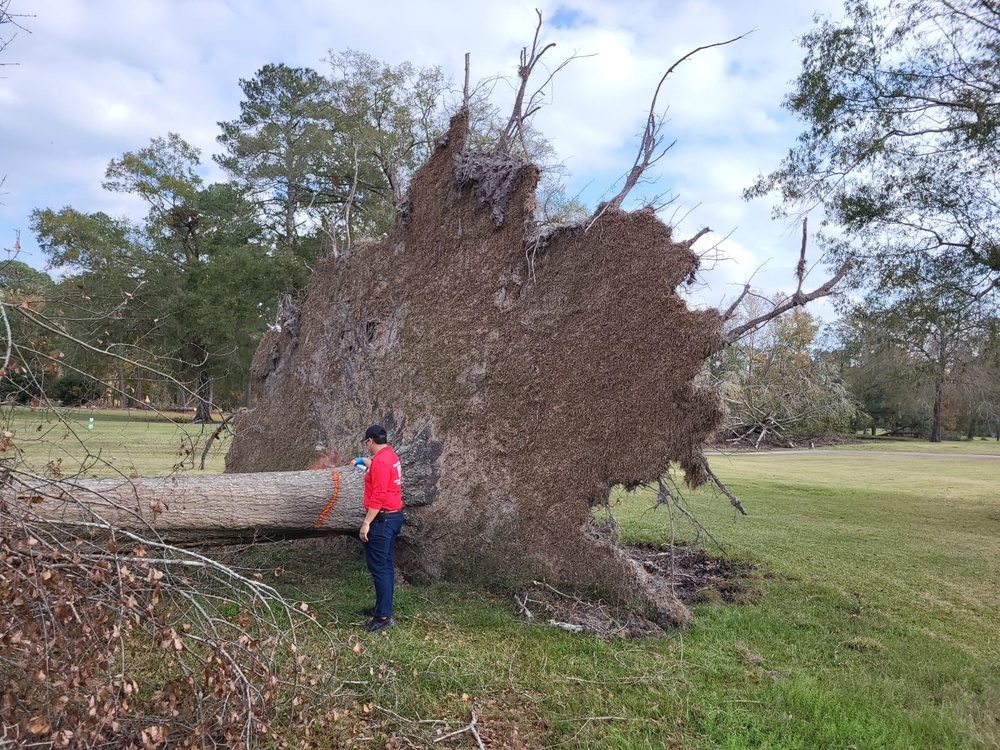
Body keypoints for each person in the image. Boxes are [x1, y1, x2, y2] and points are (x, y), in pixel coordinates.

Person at [355, 424, 403, 632]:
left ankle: (383, 616)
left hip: (382, 520)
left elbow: (379, 495)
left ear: (370, 442)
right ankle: (381, 608)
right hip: (392, 517)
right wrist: (360, 461)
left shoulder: (382, 462)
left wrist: (366, 523)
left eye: (366, 444)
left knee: (380, 568)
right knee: (386, 566)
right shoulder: (389, 455)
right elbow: (374, 464)